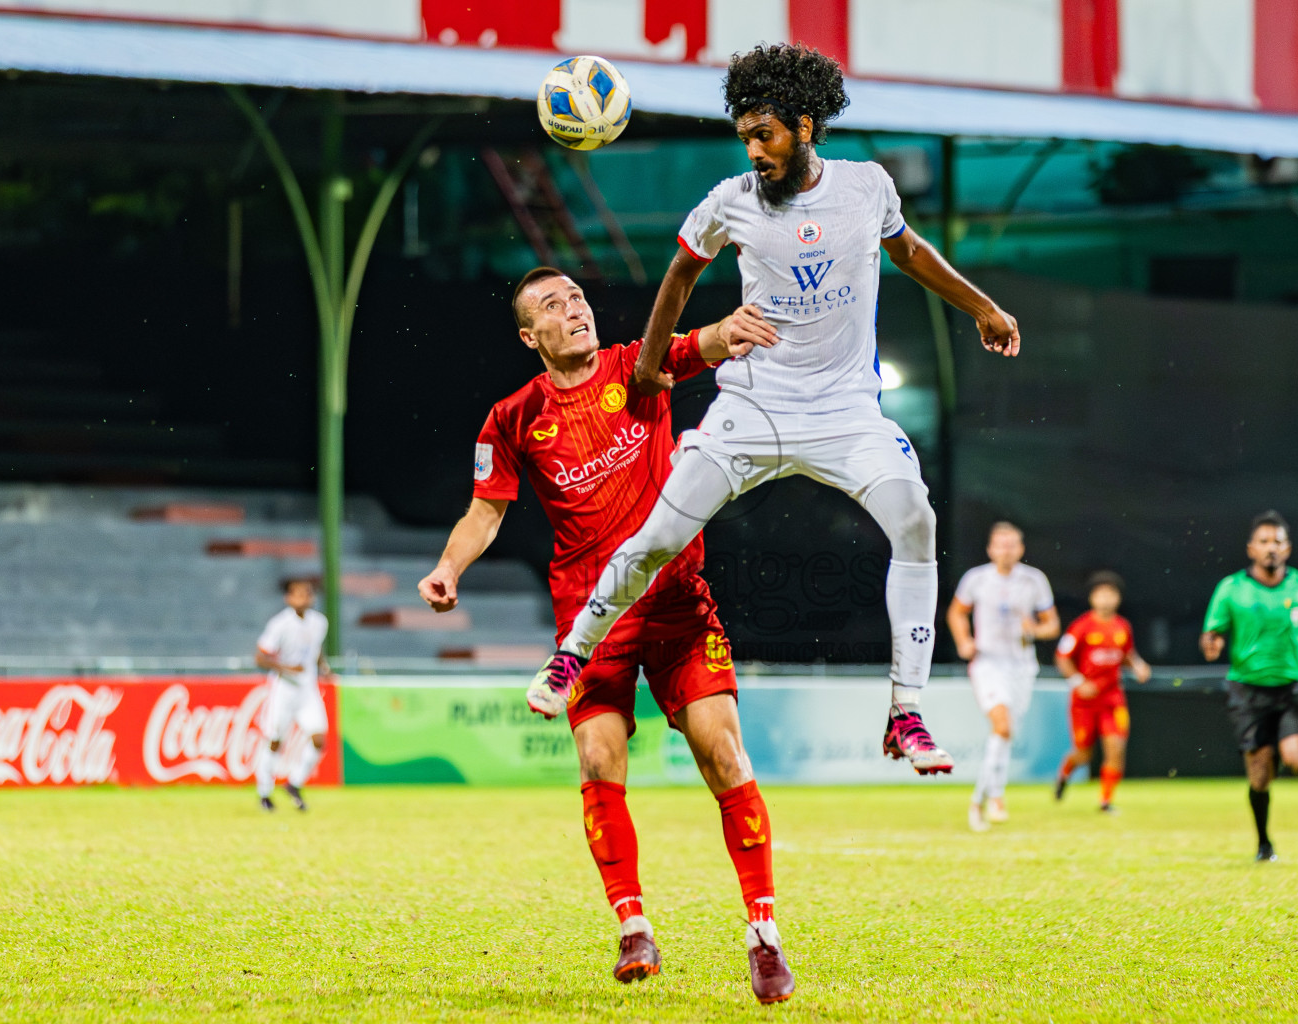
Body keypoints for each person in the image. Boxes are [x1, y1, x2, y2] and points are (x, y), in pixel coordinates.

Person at [531, 43, 1022, 777]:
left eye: (764, 135)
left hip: (848, 414)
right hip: (754, 409)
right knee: (660, 533)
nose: (754, 151)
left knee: (915, 520)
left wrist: (983, 307)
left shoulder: (867, 187)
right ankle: (571, 657)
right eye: (745, 139)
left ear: (803, 123)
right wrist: (648, 361)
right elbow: (679, 273)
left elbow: (913, 254)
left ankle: (906, 713)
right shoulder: (729, 202)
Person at [416, 267, 794, 1004]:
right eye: (553, 307)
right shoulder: (512, 418)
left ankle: (764, 932)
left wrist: (732, 329)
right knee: (598, 759)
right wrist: (447, 566)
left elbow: (700, 343)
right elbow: (486, 511)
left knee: (723, 752)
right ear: (531, 337)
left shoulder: (636, 366)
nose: (574, 310)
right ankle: (633, 927)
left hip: (679, 604)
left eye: (578, 299)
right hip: (590, 621)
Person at [1201, 510, 1298, 862]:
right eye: (1263, 542)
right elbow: (1211, 632)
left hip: (1292, 686)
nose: (1270, 548)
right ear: (1251, 548)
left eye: (1277, 542)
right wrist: (1211, 643)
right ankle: (1264, 843)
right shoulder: (1231, 588)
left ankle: (1280, 744)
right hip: (1247, 689)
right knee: (1260, 775)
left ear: (1288, 548)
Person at [946, 523, 1060, 831]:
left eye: (1012, 545)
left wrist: (1034, 629)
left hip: (1022, 666)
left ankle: (980, 800)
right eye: (1000, 544)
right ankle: (993, 797)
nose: (1006, 550)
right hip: (988, 663)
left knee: (1006, 736)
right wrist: (964, 641)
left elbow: (1052, 625)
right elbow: (956, 612)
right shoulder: (977, 579)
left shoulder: (1034, 580)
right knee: (1002, 725)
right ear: (990, 549)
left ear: (1020, 549)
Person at [1053, 571, 1151, 812]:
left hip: (1112, 698)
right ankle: (1065, 773)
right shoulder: (1081, 626)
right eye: (1101, 594)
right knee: (1083, 755)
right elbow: (1062, 657)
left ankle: (1105, 801)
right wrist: (1078, 682)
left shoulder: (1122, 627)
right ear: (1092, 598)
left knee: (1116, 748)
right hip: (1084, 702)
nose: (1106, 599)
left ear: (1118, 598)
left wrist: (1138, 666)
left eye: (1111, 594)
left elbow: (1127, 654)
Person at [254, 578, 331, 813]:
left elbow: (314, 648)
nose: (303, 598)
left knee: (319, 740)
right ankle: (265, 792)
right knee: (276, 740)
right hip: (284, 689)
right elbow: (260, 657)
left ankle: (294, 783)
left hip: (307, 690)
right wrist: (288, 669)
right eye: (298, 594)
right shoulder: (280, 624)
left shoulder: (319, 622)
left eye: (307, 594)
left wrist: (324, 666)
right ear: (288, 598)